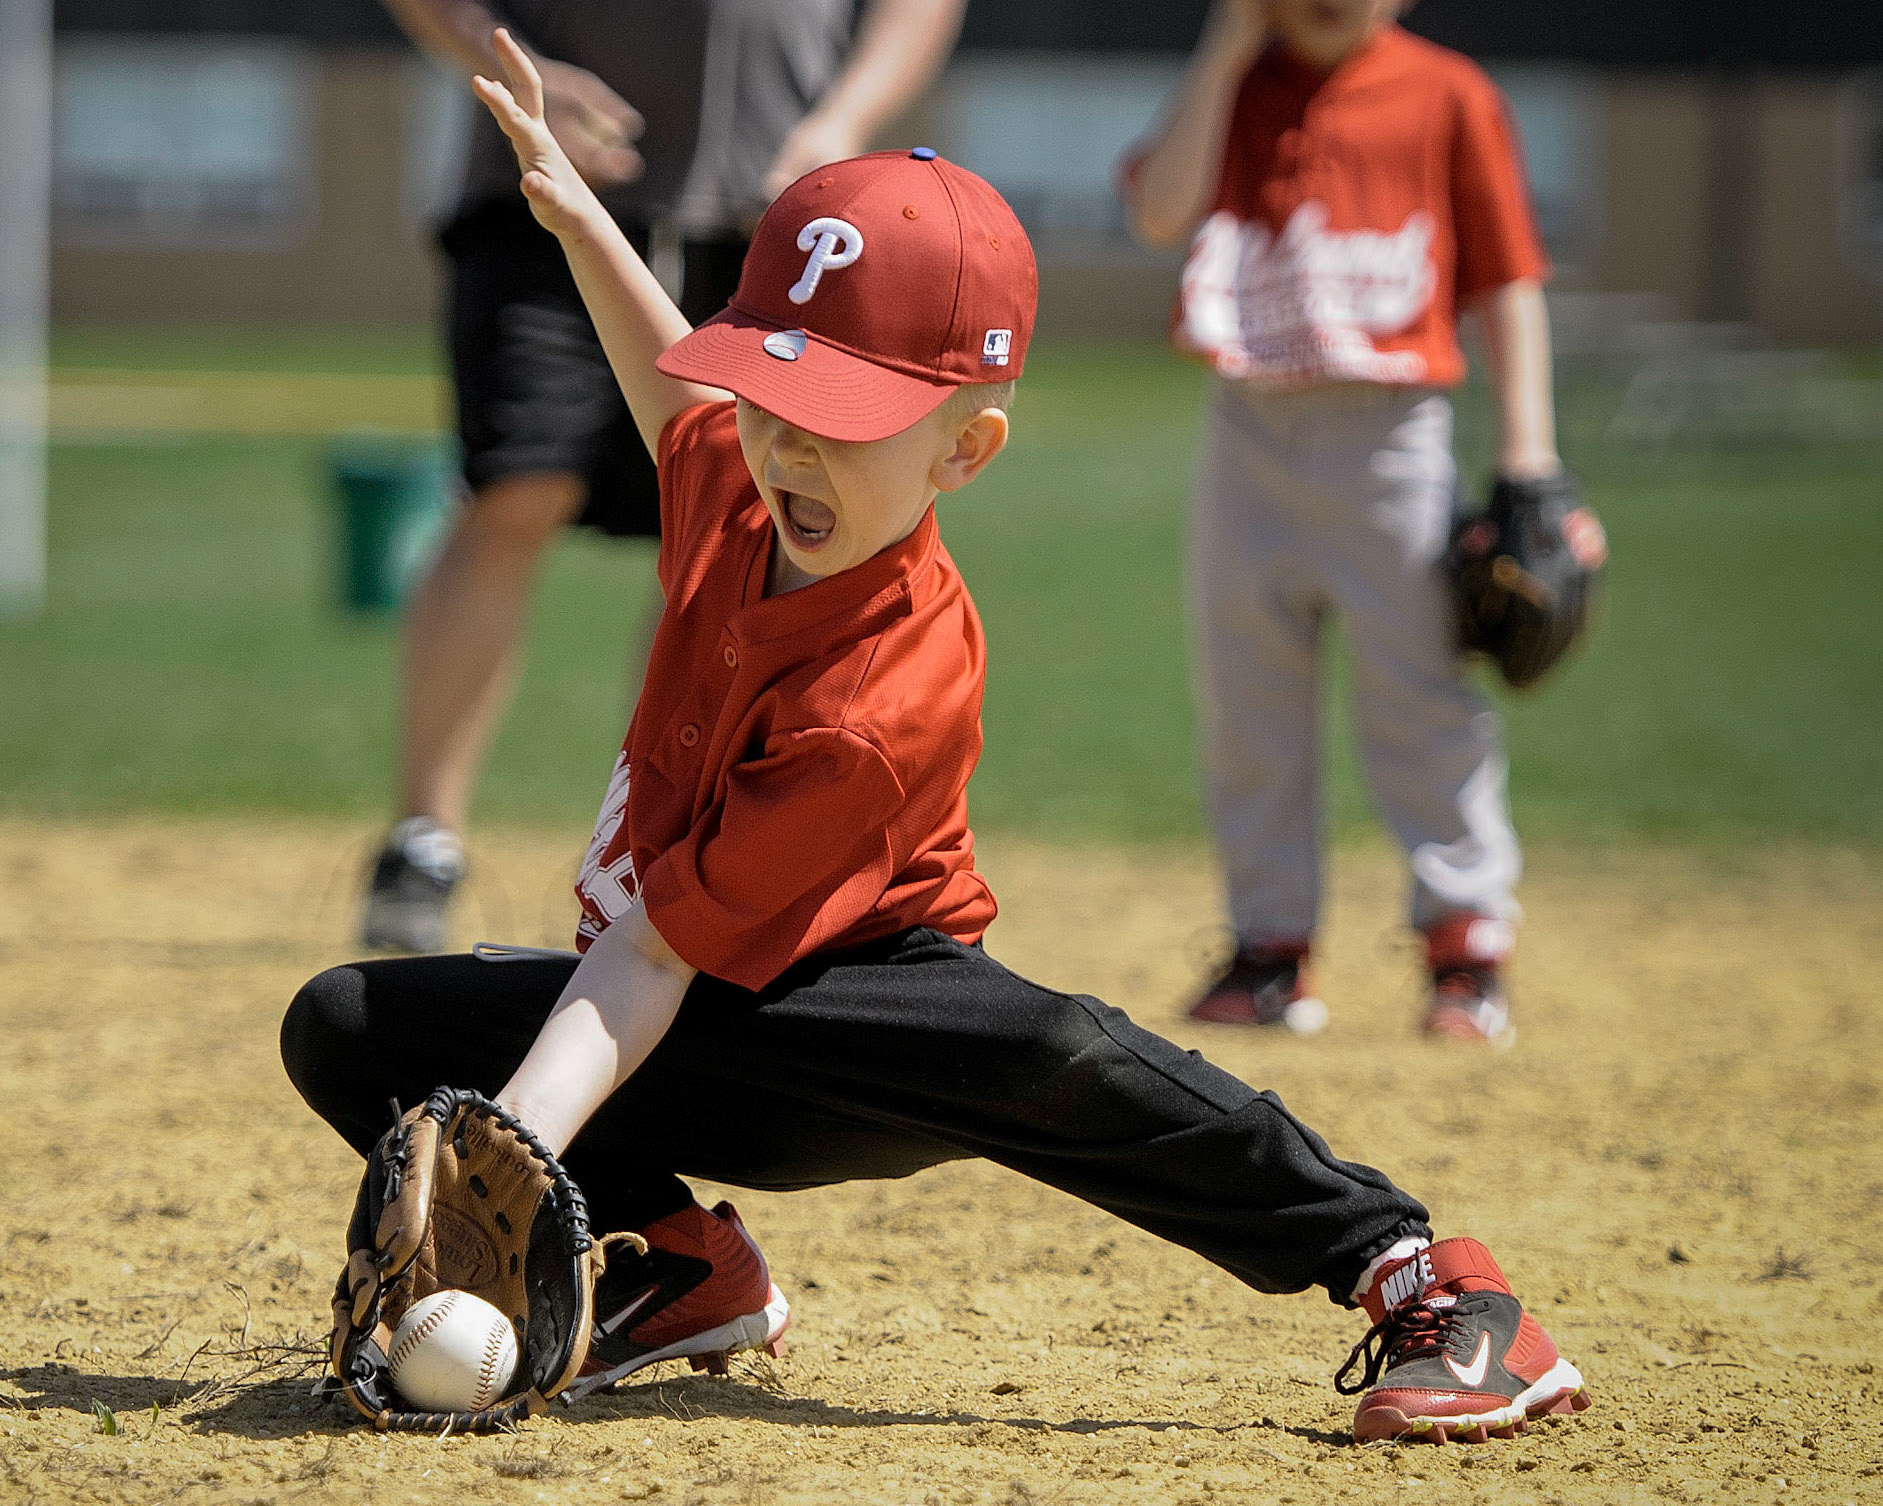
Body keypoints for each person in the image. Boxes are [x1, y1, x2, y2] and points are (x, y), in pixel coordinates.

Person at [283, 32, 1592, 1443]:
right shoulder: (745, 481)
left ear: (962, 450)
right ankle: (673, 1272)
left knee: (1071, 1068)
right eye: (775, 397)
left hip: (858, 996)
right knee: (351, 1027)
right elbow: (678, 393)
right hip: (677, 981)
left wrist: (514, 1148)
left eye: (840, 421)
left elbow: (651, 952)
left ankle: (1418, 1276)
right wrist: (571, 209)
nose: (786, 449)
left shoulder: (884, 687)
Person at [365, 0, 969, 952]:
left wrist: (846, 117)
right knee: (516, 485)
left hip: (779, 213)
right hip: (557, 176)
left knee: (739, 527)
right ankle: (422, 838)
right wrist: (512, 68)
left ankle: (674, 844)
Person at [1121, 0, 1561, 1043]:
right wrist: (1225, 43)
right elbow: (1155, 215)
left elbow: (1506, 280)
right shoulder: (1234, 83)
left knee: (1417, 692)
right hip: (1246, 422)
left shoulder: (1447, 92)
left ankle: (1465, 941)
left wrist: (1527, 460)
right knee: (1246, 696)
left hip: (1389, 430)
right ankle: (1269, 947)